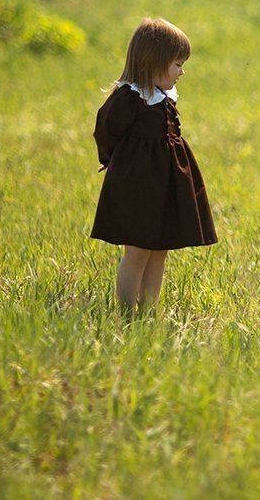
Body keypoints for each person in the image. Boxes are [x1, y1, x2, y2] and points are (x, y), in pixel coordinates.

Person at [91, 17, 217, 311]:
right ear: (153, 63)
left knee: (159, 250)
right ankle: (125, 312)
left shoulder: (163, 97)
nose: (182, 71)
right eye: (177, 64)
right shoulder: (130, 97)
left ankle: (147, 310)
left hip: (165, 186)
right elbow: (105, 130)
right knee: (137, 251)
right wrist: (112, 160)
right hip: (138, 186)